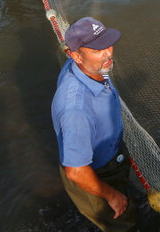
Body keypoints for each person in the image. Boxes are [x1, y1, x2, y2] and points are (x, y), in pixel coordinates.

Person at [51, 17, 139, 231]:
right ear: (76, 56)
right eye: (97, 50)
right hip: (94, 172)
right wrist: (112, 195)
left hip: (106, 153)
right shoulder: (76, 110)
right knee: (122, 222)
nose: (108, 53)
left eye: (108, 44)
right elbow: (76, 171)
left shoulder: (85, 67)